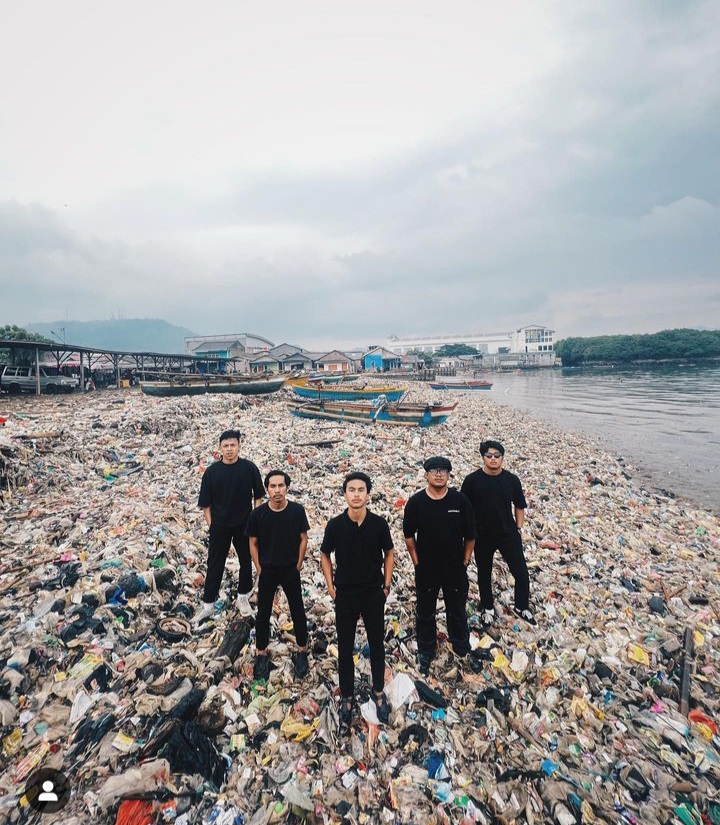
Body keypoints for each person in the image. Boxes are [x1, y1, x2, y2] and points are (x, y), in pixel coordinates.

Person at [320, 472, 394, 727]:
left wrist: (386, 585)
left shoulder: (379, 524)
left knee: (376, 643)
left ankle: (378, 691)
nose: (356, 494)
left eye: (361, 490)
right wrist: (331, 586)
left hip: (373, 592)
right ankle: (347, 696)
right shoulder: (335, 525)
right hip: (346, 594)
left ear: (368, 494)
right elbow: (324, 554)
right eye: (351, 489)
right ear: (345, 494)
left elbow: (389, 552)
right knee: (345, 646)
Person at [403, 456, 483, 676]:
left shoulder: (460, 501)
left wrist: (466, 560)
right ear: (426, 474)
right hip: (427, 568)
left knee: (457, 609)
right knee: (425, 611)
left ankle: (461, 646)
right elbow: (408, 535)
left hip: (455, 568)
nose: (439, 474)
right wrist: (416, 561)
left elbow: (471, 535)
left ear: (449, 475)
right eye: (434, 470)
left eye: (443, 470)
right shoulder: (416, 502)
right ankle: (426, 649)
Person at [460, 440, 536, 626]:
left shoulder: (511, 480)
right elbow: (464, 507)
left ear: (502, 458)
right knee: (484, 573)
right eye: (489, 456)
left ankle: (521, 606)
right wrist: (467, 531)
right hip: (482, 535)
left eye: (497, 456)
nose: (493, 459)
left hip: (507, 533)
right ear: (483, 457)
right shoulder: (472, 480)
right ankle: (487, 606)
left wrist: (518, 527)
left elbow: (519, 505)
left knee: (521, 571)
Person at [246, 470, 310, 681]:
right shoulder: (258, 514)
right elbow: (252, 543)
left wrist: (299, 564)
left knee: (297, 610)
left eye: (280, 486)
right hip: (268, 570)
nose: (277, 490)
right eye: (272, 487)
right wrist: (259, 567)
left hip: (291, 569)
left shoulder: (297, 511)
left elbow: (303, 538)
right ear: (267, 489)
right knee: (263, 612)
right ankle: (261, 653)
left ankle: (301, 650)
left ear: (287, 488)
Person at [196, 429, 264, 622]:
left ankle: (243, 597)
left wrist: (255, 518)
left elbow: (258, 495)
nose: (229, 449)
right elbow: (205, 503)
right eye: (225, 446)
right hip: (220, 525)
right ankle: (208, 604)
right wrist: (211, 525)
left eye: (233, 445)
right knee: (215, 563)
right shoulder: (211, 472)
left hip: (244, 524)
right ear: (219, 448)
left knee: (245, 561)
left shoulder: (249, 468)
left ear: (239, 446)